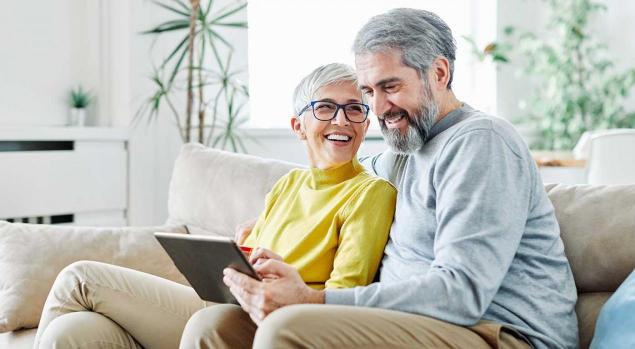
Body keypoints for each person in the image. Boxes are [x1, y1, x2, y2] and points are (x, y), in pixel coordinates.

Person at [218, 8, 578, 349]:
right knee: (218, 328)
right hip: (419, 325)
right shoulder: (406, 150)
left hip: (498, 332)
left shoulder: (481, 143)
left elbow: (462, 293)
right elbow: (334, 180)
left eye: (390, 87)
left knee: (287, 327)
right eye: (369, 92)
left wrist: (316, 299)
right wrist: (273, 220)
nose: (378, 108)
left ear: (439, 73)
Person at [33, 63, 397, 349]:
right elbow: (258, 259)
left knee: (79, 277)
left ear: (366, 124)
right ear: (298, 126)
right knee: (70, 333)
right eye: (326, 108)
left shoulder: (371, 192)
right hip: (224, 300)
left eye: (354, 110)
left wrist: (287, 281)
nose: (341, 121)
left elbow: (344, 295)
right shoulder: (289, 185)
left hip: (265, 319)